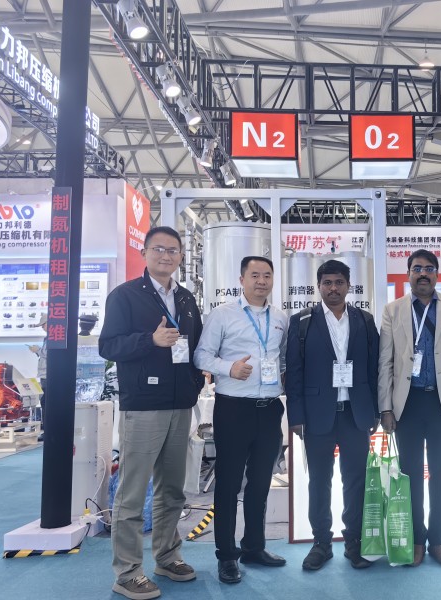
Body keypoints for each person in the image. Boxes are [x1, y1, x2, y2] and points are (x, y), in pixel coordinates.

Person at [99, 226, 204, 600]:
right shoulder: (125, 296)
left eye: (173, 250)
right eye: (158, 249)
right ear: (144, 253)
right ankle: (127, 572)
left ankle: (167, 557)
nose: (166, 256)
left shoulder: (186, 299)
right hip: (143, 406)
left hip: (180, 405)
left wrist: (195, 384)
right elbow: (108, 346)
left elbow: (195, 347)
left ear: (181, 257)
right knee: (131, 494)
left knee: (172, 490)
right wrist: (150, 340)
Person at [194, 256, 289, 585]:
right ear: (241, 279)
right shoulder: (223, 314)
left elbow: (282, 359)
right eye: (255, 275)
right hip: (233, 409)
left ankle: (254, 547)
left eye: (267, 275)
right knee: (229, 484)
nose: (261, 281)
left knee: (261, 483)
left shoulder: (280, 318)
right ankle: (226, 555)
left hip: (270, 409)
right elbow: (201, 355)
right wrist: (229, 368)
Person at [379, 249, 441, 567]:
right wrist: (385, 407)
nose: (423, 273)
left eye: (429, 268)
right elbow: (385, 362)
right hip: (406, 405)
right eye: (417, 268)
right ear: (408, 274)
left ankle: (438, 540)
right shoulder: (393, 310)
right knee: (409, 475)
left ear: (437, 274)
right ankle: (416, 539)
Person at [285, 259, 380, 571]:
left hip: (355, 414)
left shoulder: (365, 320)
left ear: (349, 286)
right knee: (319, 481)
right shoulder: (302, 322)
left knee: (355, 481)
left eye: (339, 282)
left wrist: (376, 411)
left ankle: (354, 541)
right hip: (317, 416)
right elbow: (294, 373)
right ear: (319, 286)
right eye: (327, 283)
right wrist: (296, 416)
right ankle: (321, 543)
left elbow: (375, 369)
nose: (333, 288)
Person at [28, 314, 48, 439]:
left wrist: (37, 350)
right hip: (45, 375)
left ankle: (48, 431)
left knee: (46, 403)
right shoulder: (49, 338)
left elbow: (48, 353)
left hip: (47, 376)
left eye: (43, 325)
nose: (42, 327)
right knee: (45, 402)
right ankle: (48, 430)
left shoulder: (51, 338)